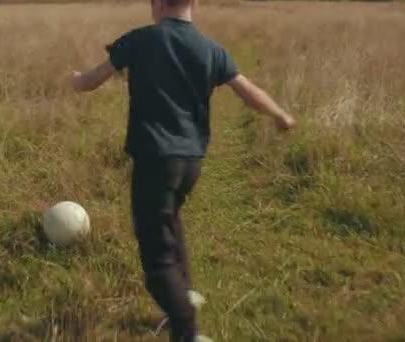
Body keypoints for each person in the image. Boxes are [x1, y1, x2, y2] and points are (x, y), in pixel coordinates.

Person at [72, 0, 296, 340]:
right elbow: (248, 92)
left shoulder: (139, 39)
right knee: (171, 220)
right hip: (190, 163)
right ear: (192, 3)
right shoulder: (211, 48)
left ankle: (188, 328)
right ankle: (187, 291)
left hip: (155, 161)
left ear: (157, 3)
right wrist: (280, 114)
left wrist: (73, 80)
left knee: (157, 259)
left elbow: (91, 81)